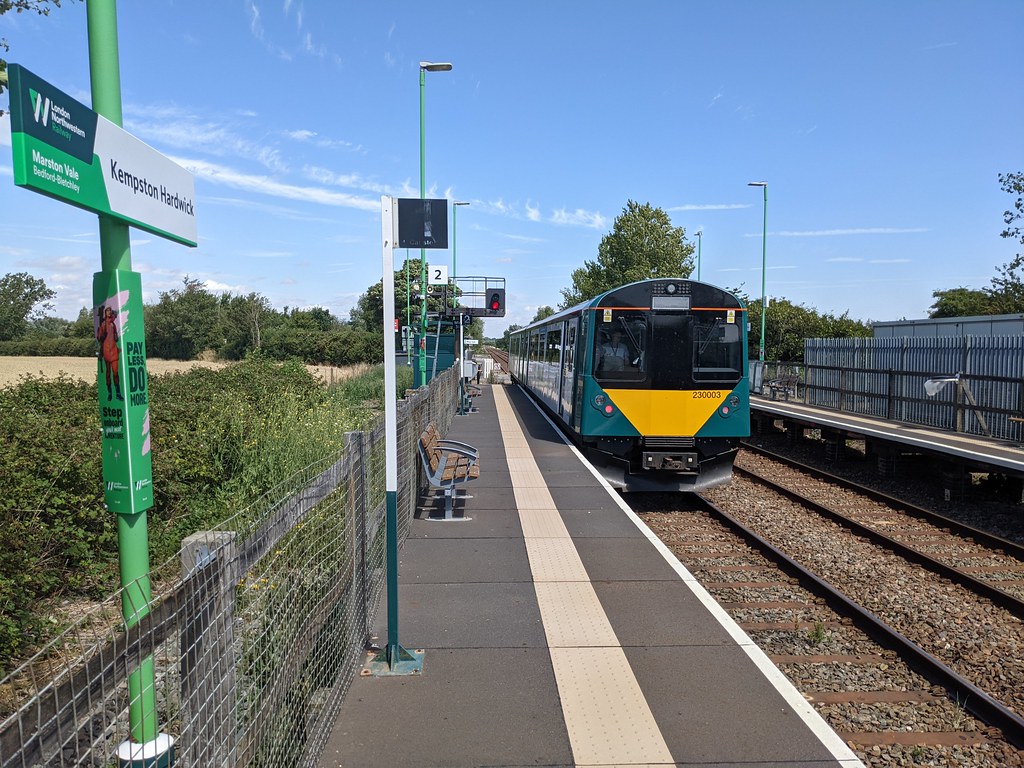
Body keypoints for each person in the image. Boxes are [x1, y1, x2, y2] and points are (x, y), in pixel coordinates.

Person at [97, 305, 123, 401]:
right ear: (105, 313)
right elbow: (99, 337)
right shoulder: (103, 324)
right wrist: (102, 336)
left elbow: (115, 337)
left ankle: (118, 393)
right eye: (107, 311)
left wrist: (116, 337)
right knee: (108, 373)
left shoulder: (113, 324)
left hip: (114, 350)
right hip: (107, 351)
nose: (109, 312)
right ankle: (109, 393)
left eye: (110, 311)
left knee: (115, 373)